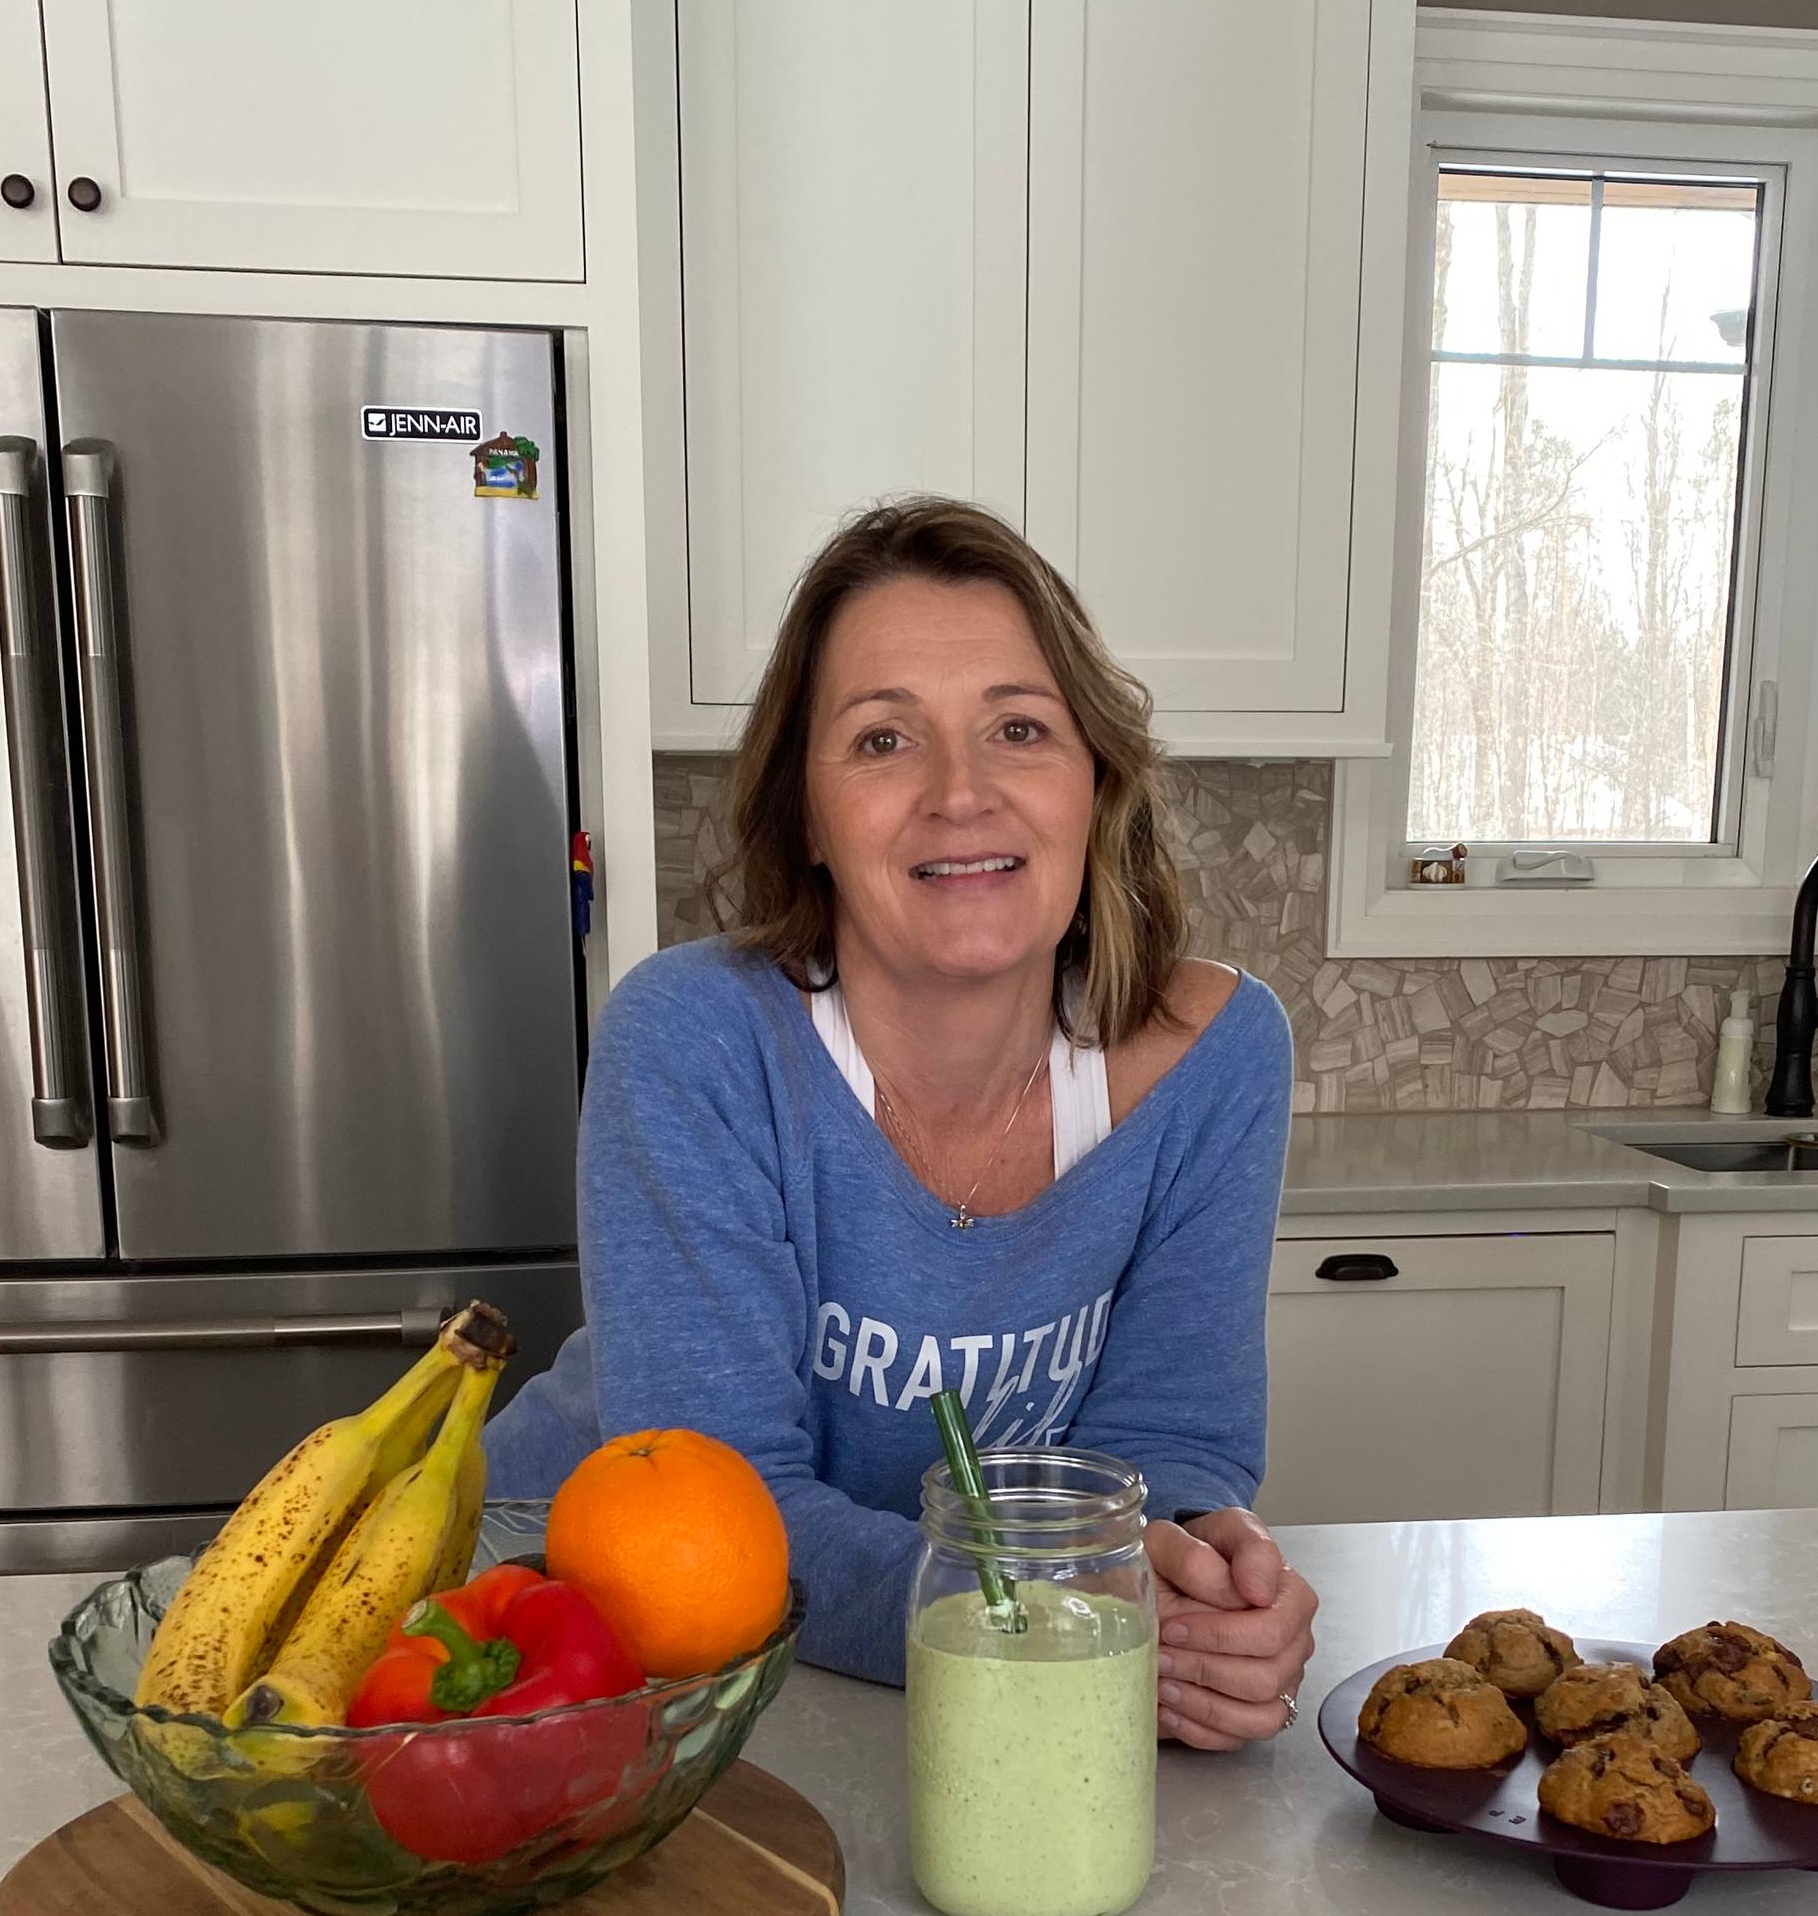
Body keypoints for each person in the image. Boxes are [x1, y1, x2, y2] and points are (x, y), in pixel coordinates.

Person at [488, 497, 1318, 1749]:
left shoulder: (1217, 1059)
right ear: (809, 817)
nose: (960, 793)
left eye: (1020, 728)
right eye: (884, 740)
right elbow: (730, 1513)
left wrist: (1198, 1583)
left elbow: (1169, 1448)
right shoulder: (696, 1041)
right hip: (591, 1634)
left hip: (952, 1668)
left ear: (1094, 780)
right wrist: (1054, 1629)